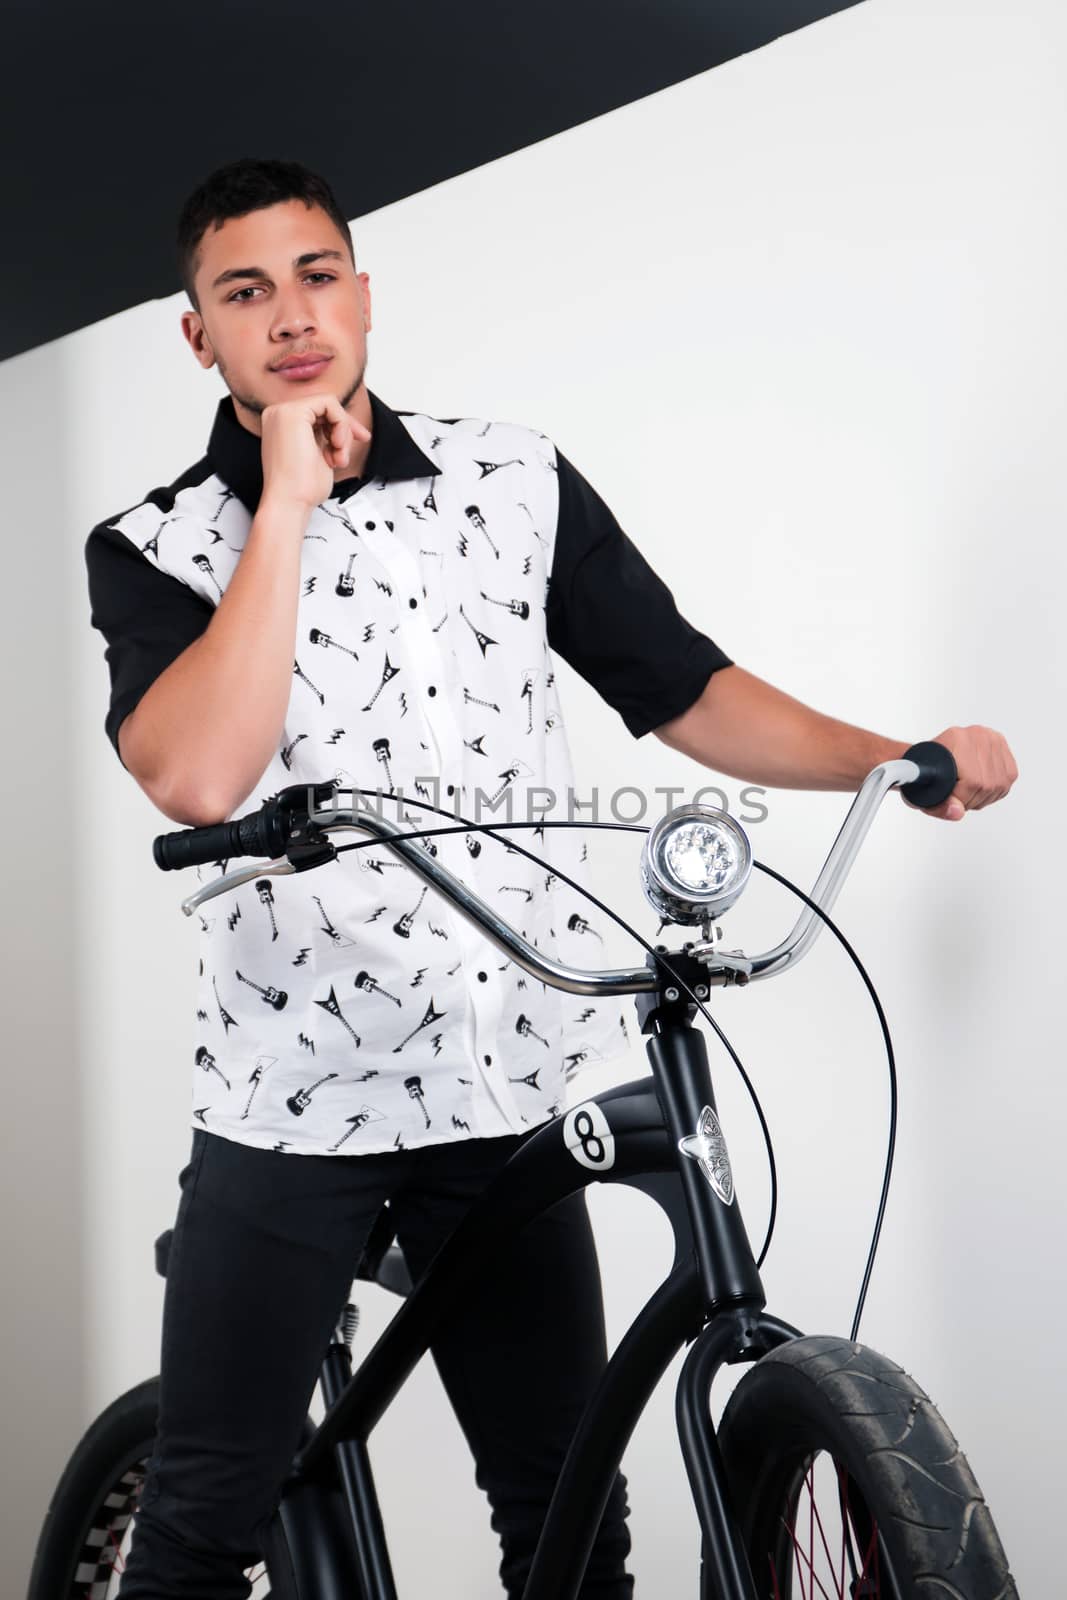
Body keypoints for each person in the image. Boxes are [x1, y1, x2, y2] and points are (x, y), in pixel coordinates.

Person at [85, 157, 1018, 1599]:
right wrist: (279, 503)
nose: (291, 315)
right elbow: (201, 775)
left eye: (316, 274)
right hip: (290, 1094)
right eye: (244, 292)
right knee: (208, 1522)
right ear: (198, 335)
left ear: (365, 291)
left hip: (501, 1079)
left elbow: (682, 685)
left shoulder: (510, 479)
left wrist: (894, 757)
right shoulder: (154, 546)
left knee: (569, 1517)